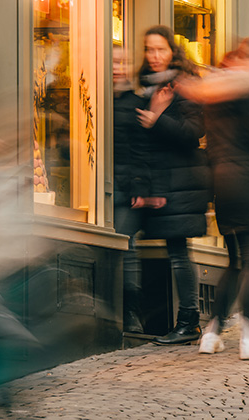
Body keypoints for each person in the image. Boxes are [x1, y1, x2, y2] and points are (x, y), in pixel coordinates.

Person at [176, 36, 249, 359]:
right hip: (246, 181)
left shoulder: (217, 89)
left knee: (234, 262)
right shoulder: (243, 89)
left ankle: (211, 333)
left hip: (221, 182)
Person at [136, 25, 211, 345]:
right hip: (158, 181)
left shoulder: (183, 86)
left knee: (179, 252)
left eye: (160, 50)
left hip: (179, 180)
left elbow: (195, 131)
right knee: (170, 250)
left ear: (172, 52)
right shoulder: (146, 87)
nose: (154, 56)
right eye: (149, 50)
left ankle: (189, 320)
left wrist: (158, 120)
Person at [113, 45, 151, 333]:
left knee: (126, 246)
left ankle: (130, 312)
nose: (117, 67)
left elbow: (143, 150)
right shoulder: (90, 99)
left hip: (127, 191)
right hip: (102, 189)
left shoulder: (136, 103)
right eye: (111, 62)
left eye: (122, 62)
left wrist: (140, 186)